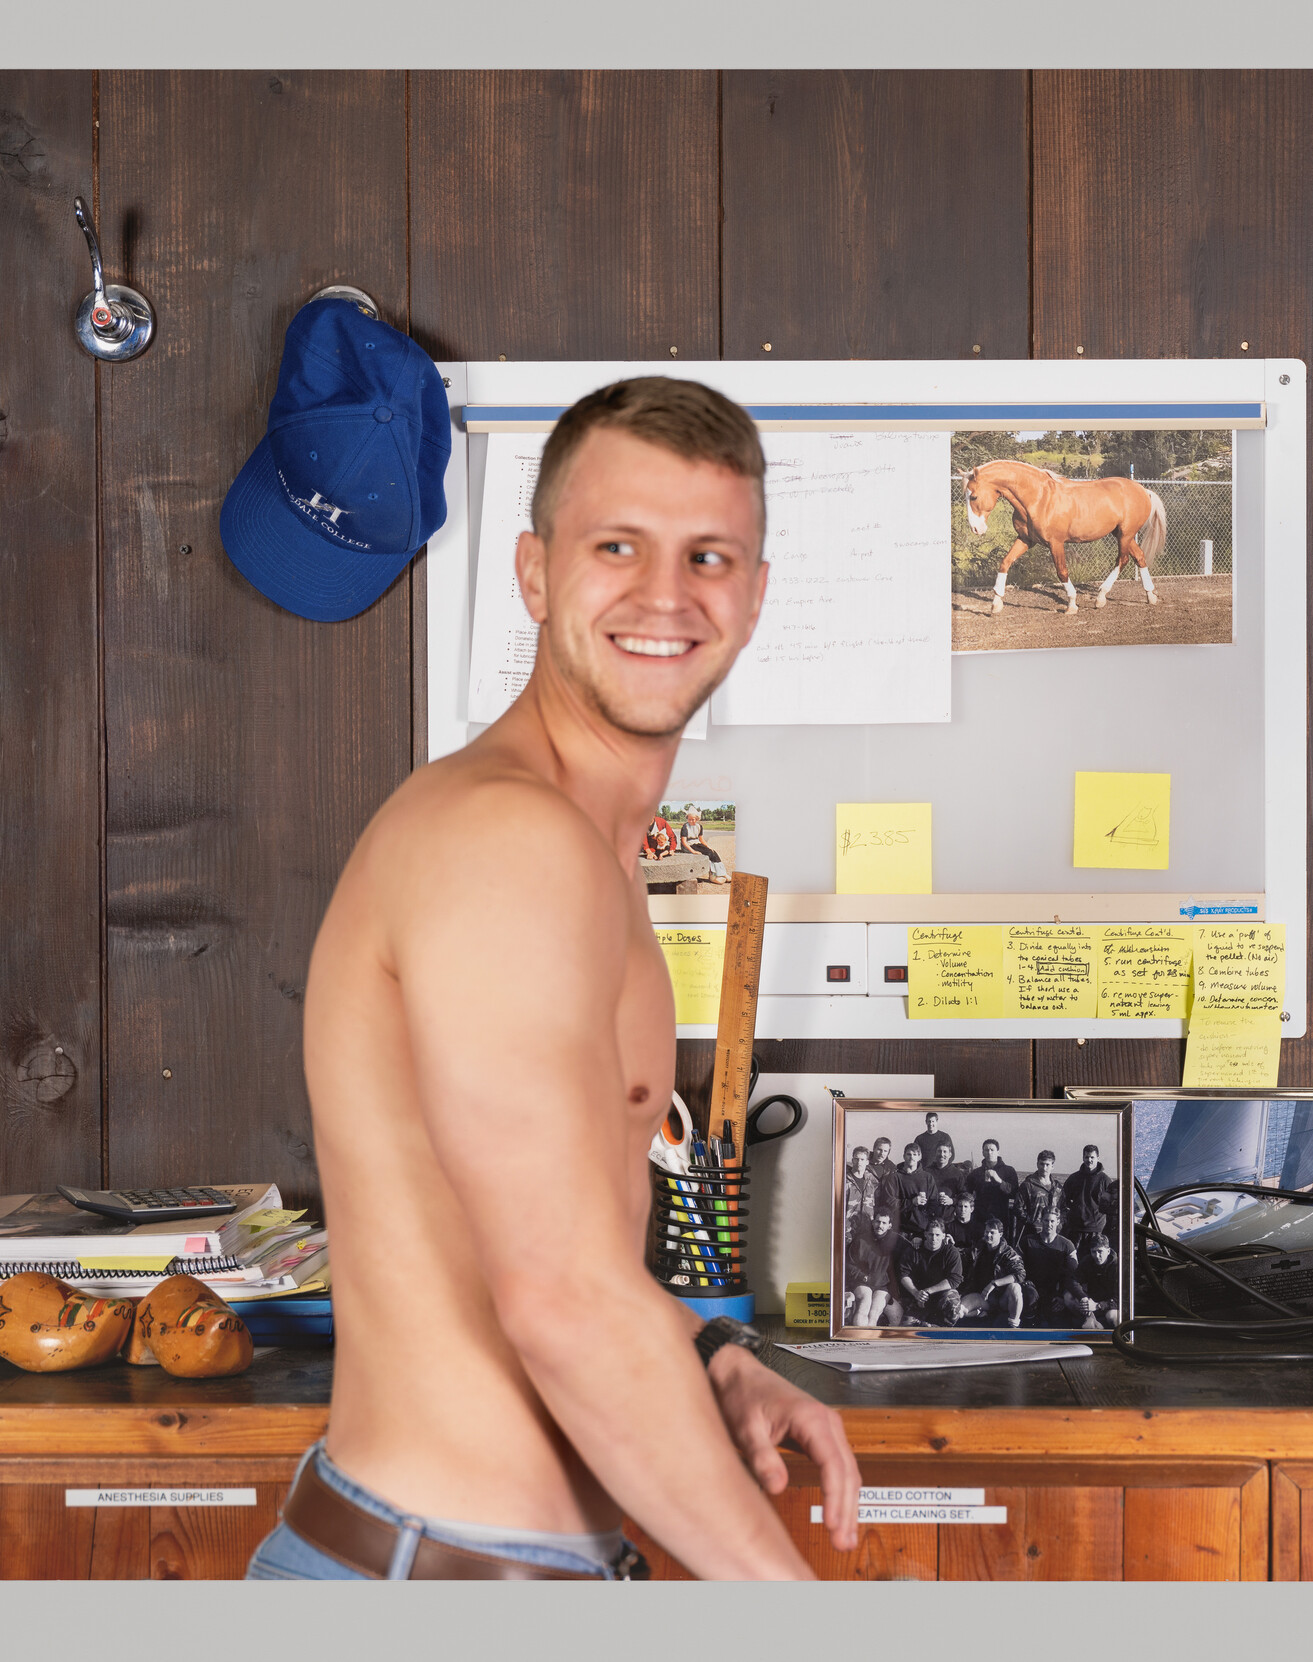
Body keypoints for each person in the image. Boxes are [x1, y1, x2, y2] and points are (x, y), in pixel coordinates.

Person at [258, 378, 858, 1582]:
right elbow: (561, 1299)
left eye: (708, 556)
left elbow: (521, 1233)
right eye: (616, 547)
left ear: (752, 597)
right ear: (533, 576)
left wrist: (704, 1354)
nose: (664, 595)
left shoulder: (575, 849)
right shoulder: (509, 846)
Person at [957, 1217, 1027, 1327]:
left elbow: (1020, 1274)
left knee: (1015, 1288)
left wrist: (994, 1283)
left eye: (992, 1233)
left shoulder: (1008, 1253)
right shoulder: (978, 1248)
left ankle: (1014, 1325)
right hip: (982, 1297)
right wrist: (948, 1245)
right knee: (957, 1312)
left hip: (1002, 1299)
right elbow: (962, 1254)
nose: (988, 1235)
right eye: (986, 1232)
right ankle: (979, 1313)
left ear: (1000, 1234)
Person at [896, 1219, 965, 1327]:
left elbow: (955, 1279)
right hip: (918, 1295)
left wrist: (929, 1291)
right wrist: (915, 1293)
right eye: (931, 1234)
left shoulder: (951, 1252)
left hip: (941, 1294)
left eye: (937, 1235)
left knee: (953, 1306)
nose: (934, 1238)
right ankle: (925, 1324)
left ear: (943, 1236)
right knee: (907, 1326)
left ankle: (943, 1329)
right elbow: (903, 1274)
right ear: (925, 1234)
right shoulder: (914, 1250)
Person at [1022, 1206, 1081, 1325]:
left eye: (1052, 1221)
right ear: (1041, 1220)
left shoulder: (1067, 1245)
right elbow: (1016, 1266)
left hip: (1054, 1292)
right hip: (1031, 1289)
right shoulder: (1028, 1241)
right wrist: (1023, 1282)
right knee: (1030, 1299)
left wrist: (1062, 1295)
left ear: (1058, 1222)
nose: (1049, 1224)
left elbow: (1074, 1275)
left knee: (1056, 1321)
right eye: (1046, 1220)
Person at [848, 1208, 906, 1329]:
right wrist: (861, 1276)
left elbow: (914, 1254)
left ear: (889, 1225)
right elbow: (849, 1264)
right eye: (878, 1221)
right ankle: (858, 1336)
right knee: (865, 1302)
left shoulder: (897, 1241)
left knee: (875, 1312)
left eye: (884, 1223)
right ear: (873, 1222)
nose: (880, 1225)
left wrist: (918, 1240)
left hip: (883, 1286)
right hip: (863, 1282)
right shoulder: (861, 1239)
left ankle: (867, 1341)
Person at [1058, 1143, 1116, 1245]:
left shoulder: (1105, 1180)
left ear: (1098, 1158)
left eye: (1092, 1157)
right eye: (1087, 1157)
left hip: (1097, 1230)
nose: (1089, 1160)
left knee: (1094, 1259)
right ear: (1083, 1158)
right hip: (1075, 1229)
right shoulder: (1074, 1178)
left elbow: (1112, 1207)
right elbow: (1063, 1200)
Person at [1013, 1150, 1065, 1253]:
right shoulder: (1028, 1185)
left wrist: (1060, 1224)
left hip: (1053, 1232)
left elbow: (1064, 1207)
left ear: (1052, 1166)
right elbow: (1017, 1207)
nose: (1044, 1168)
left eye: (1047, 1164)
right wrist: (1030, 1222)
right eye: (1042, 1164)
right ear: (1037, 1164)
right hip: (1033, 1232)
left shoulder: (1058, 1187)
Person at [1068, 1234, 1122, 1330]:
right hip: (1090, 1302)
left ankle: (1109, 1334)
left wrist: (1099, 1305)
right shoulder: (1087, 1261)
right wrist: (1083, 1297)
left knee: (1113, 1316)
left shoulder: (1118, 1267)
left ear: (1108, 1251)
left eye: (1100, 1251)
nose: (1097, 1256)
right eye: (1094, 1252)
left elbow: (1123, 1298)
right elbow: (1073, 1280)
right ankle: (1090, 1319)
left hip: (1110, 1304)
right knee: (1068, 1297)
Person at [885, 1143, 937, 1242]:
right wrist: (911, 1202)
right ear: (904, 1156)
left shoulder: (927, 1177)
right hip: (900, 1229)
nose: (911, 1157)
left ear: (920, 1157)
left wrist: (925, 1218)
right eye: (909, 1154)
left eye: (915, 1154)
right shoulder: (894, 1177)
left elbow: (934, 1202)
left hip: (921, 1229)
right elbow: (889, 1202)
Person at [965, 1139, 1019, 1232]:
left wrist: (999, 1181)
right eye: (986, 1150)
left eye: (992, 1150)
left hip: (1001, 1217)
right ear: (983, 1152)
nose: (989, 1152)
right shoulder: (976, 1173)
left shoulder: (1009, 1171)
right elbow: (967, 1194)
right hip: (980, 1217)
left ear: (998, 1152)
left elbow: (1014, 1193)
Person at [677, 804, 727, 883]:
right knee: (707, 854)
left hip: (696, 843)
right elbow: (684, 841)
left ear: (697, 819)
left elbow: (701, 839)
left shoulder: (699, 826)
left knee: (712, 852)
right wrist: (693, 851)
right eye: (689, 819)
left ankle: (722, 873)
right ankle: (713, 876)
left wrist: (708, 846)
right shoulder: (685, 827)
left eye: (693, 819)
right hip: (688, 845)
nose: (691, 821)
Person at [840, 1147, 879, 1245]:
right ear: (852, 1160)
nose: (859, 1162)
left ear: (867, 1162)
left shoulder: (872, 1182)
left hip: (866, 1230)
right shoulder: (843, 1180)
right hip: (847, 1230)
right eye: (856, 1159)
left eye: (862, 1159)